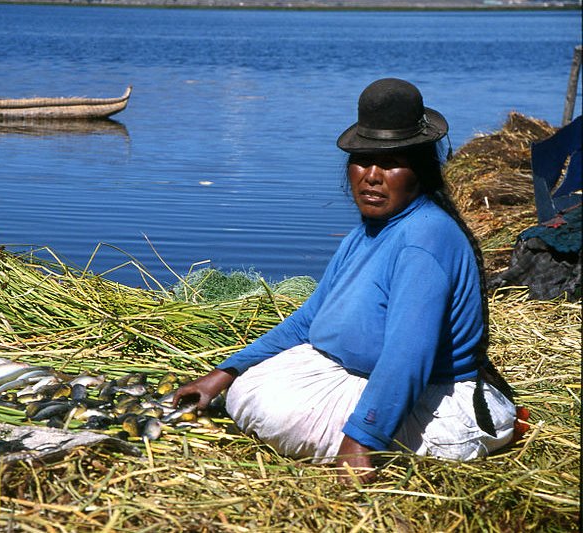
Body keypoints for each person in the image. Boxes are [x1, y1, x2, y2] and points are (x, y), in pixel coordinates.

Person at [173, 78, 517, 484]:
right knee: (249, 389)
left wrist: (362, 439)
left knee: (275, 411)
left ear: (421, 171)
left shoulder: (425, 238)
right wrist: (221, 375)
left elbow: (408, 356)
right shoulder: (369, 231)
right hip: (359, 376)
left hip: (435, 401)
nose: (372, 176)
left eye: (391, 163)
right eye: (362, 159)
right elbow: (310, 318)